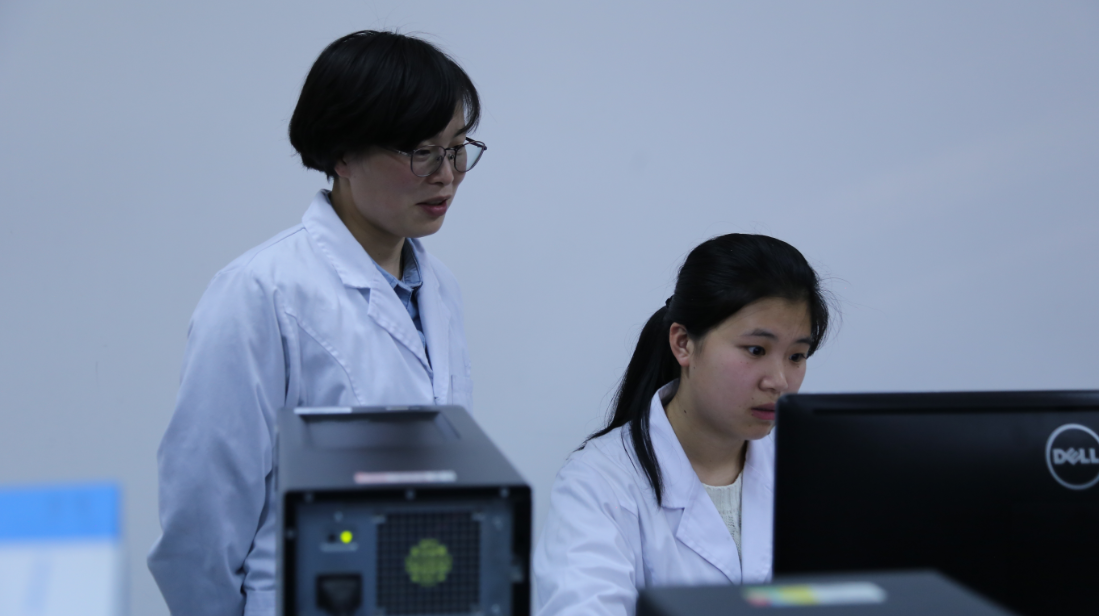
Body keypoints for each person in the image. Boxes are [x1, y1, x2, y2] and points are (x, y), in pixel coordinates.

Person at [147, 31, 486, 616]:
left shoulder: (440, 290)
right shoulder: (260, 291)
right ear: (342, 154)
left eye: (457, 148)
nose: (447, 175)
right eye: (421, 151)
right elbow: (201, 518)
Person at [533, 234, 832, 616]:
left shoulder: (811, 471)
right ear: (683, 344)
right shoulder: (601, 483)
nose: (779, 381)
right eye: (756, 350)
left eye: (796, 356)